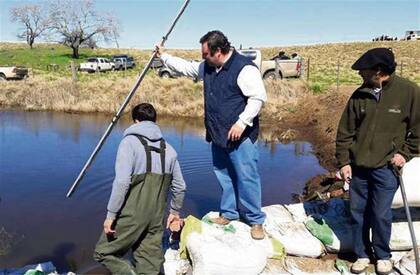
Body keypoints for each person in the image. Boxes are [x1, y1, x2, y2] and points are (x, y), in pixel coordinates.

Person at [156, 30, 267, 240]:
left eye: (205, 54)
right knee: (224, 175)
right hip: (218, 134)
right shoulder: (208, 66)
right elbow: (187, 68)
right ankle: (229, 213)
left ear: (218, 51)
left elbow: (258, 98)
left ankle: (255, 220)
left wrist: (242, 122)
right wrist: (164, 56)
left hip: (241, 137)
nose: (202, 58)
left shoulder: (244, 68)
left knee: (246, 177)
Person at [336, 48, 420, 275]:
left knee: (381, 213)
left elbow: (418, 130)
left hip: (387, 168)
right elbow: (345, 132)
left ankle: (383, 255)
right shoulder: (359, 94)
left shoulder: (409, 92)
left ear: (379, 72)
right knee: (357, 212)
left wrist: (405, 153)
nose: (360, 75)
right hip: (359, 167)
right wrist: (344, 162)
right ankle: (362, 254)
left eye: (364, 71)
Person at [93, 103, 186, 274]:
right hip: (156, 216)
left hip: (132, 215)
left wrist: (111, 215)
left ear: (136, 121)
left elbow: (122, 183)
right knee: (149, 264)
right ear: (154, 121)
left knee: (104, 253)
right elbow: (180, 186)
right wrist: (174, 212)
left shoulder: (129, 143)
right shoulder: (170, 150)